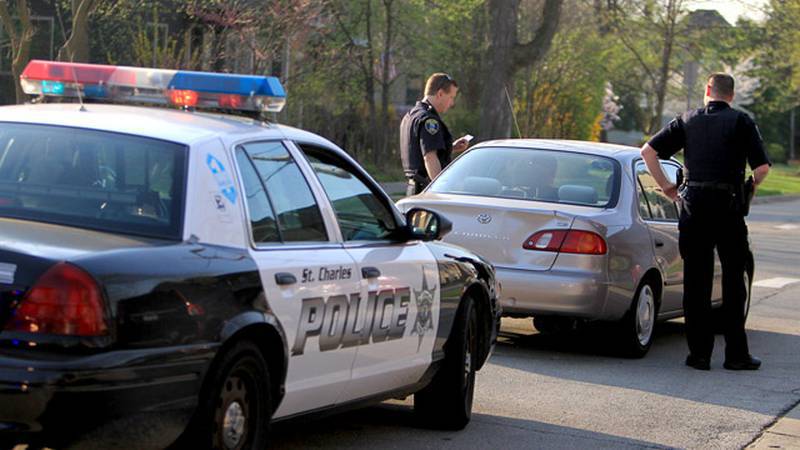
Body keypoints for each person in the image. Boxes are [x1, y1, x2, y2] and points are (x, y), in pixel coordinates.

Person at [640, 73, 771, 371]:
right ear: (732, 95)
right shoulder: (741, 122)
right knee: (734, 281)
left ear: (708, 91)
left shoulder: (687, 120)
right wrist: (749, 187)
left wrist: (668, 188)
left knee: (696, 281)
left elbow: (648, 152)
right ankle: (736, 355)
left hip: (694, 206)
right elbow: (761, 168)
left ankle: (699, 355)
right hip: (728, 208)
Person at [400, 73, 470, 196]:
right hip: (426, 190)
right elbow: (429, 158)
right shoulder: (429, 120)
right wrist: (441, 189)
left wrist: (450, 147)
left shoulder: (412, 115)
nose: (452, 103)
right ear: (440, 94)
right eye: (451, 97)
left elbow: (420, 150)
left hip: (414, 189)